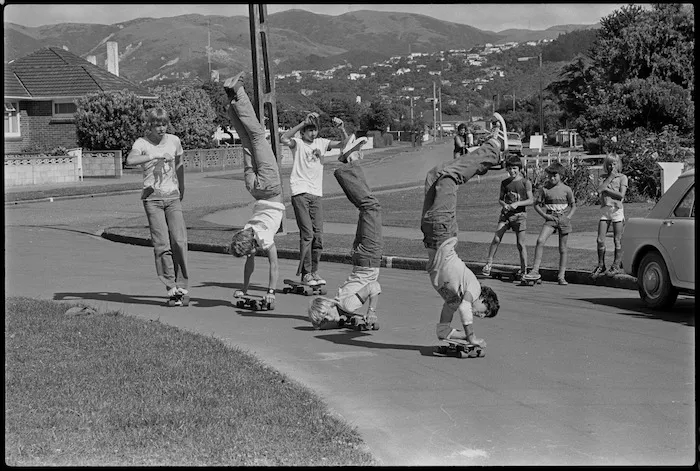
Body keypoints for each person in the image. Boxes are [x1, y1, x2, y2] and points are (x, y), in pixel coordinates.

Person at [419, 113, 505, 348]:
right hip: (441, 233)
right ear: (484, 299)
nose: (481, 315)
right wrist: (471, 337)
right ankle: (493, 149)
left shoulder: (454, 299)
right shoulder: (474, 288)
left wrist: (446, 332)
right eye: (485, 311)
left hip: (433, 235)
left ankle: (485, 157)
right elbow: (467, 308)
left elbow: (447, 318)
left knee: (435, 175)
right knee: (448, 178)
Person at [307, 135, 380, 330]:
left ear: (329, 306)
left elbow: (374, 287)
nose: (328, 323)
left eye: (325, 319)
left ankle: (349, 163)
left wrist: (371, 312)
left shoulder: (347, 306)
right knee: (367, 207)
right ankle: (351, 159)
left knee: (370, 206)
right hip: (360, 260)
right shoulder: (343, 306)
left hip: (368, 260)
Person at [224, 72, 284, 307]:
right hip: (254, 189)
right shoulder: (247, 229)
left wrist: (271, 291)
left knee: (258, 136)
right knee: (247, 138)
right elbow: (252, 259)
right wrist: (244, 289)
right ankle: (231, 98)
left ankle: (238, 90)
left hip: (270, 187)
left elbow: (274, 264)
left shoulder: (265, 239)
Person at [126, 107, 189, 306]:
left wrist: (182, 186)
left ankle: (182, 283)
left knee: (179, 240)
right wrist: (154, 156)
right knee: (162, 243)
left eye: (164, 124)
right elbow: (130, 160)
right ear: (150, 126)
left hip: (172, 196)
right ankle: (170, 285)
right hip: (152, 199)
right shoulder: (142, 143)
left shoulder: (174, 140)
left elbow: (179, 164)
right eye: (156, 125)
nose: (161, 128)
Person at [280, 112, 346, 287]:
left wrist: (342, 129)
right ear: (303, 132)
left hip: (316, 194)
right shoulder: (298, 144)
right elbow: (283, 138)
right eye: (309, 130)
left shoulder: (322, 143)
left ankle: (314, 271)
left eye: (314, 130)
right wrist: (302, 123)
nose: (312, 133)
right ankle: (306, 273)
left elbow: (344, 145)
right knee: (307, 234)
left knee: (318, 236)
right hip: (300, 192)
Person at [522, 162, 577, 285]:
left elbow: (573, 205)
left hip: (563, 219)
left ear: (560, 175)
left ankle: (561, 276)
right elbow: (536, 204)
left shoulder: (567, 190)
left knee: (562, 248)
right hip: (550, 219)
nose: (552, 178)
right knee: (540, 240)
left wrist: (568, 217)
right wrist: (545, 215)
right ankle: (535, 270)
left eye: (555, 175)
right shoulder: (545, 189)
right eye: (550, 175)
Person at [482, 155, 534, 279]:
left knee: (520, 244)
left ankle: (524, 270)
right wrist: (505, 205)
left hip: (520, 215)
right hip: (506, 215)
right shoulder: (505, 183)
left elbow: (531, 200)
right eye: (510, 168)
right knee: (496, 238)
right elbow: (500, 199)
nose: (512, 171)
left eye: (514, 168)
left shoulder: (525, 182)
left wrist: (517, 204)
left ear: (519, 168)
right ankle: (489, 263)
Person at [591, 154, 628, 276]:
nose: (612, 166)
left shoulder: (623, 178)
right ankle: (601, 265)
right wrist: (610, 177)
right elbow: (599, 189)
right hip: (605, 210)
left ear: (618, 164)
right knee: (600, 239)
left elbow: (621, 195)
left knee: (617, 239)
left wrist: (607, 190)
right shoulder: (603, 177)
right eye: (610, 164)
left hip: (616, 210)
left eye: (615, 163)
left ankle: (616, 265)